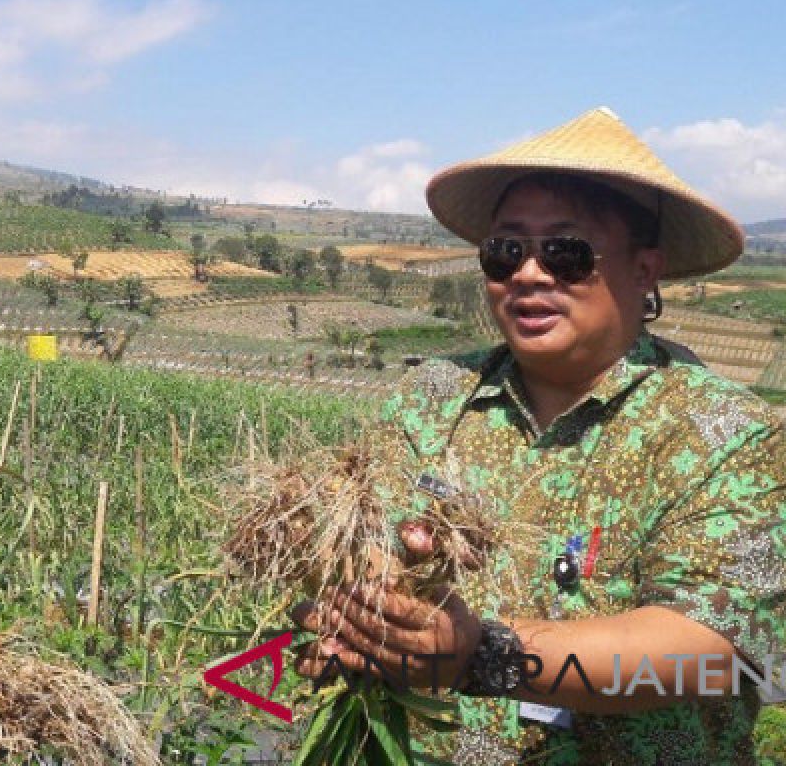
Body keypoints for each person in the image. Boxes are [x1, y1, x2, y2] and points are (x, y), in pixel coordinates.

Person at [295, 107, 786, 763]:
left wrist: (487, 657)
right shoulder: (431, 398)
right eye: (506, 251)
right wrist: (348, 620)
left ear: (645, 272)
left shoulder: (722, 432)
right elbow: (363, 549)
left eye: (566, 252)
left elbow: (712, 652)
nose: (529, 273)